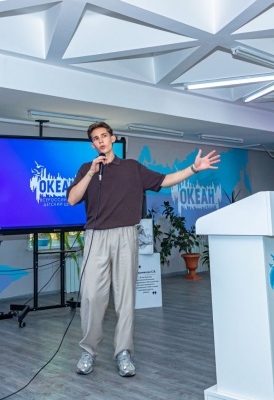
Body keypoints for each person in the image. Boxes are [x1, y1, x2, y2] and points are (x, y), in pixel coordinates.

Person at [66, 121, 220, 377]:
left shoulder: (132, 167)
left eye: (104, 136)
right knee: (91, 296)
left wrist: (193, 168)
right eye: (95, 138)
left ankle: (123, 352)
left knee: (125, 298)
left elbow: (165, 180)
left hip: (126, 234)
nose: (100, 140)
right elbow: (72, 199)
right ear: (92, 145)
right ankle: (88, 351)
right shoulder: (86, 169)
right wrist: (91, 173)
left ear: (113, 138)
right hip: (95, 237)